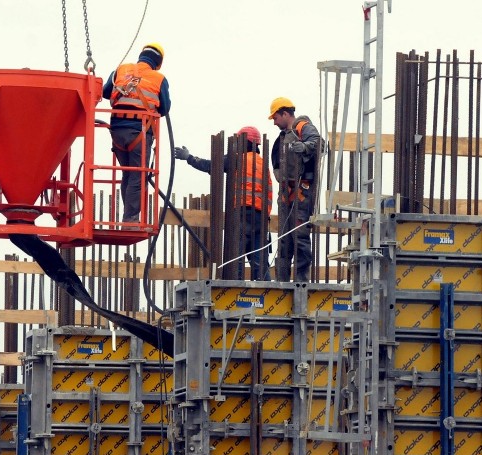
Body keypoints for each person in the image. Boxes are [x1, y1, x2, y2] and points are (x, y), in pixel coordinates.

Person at [174, 126, 273, 281]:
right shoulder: (263, 163)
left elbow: (212, 166)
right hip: (261, 218)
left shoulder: (237, 159)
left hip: (242, 214)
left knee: (236, 258)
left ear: (243, 141)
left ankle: (235, 289)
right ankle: (267, 292)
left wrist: (189, 158)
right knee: (259, 262)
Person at [102, 43, 171, 223]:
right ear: (158, 62)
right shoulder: (159, 78)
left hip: (116, 130)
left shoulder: (121, 69)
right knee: (138, 175)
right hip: (139, 131)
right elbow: (165, 108)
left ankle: (128, 217)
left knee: (128, 173)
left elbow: (105, 92)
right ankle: (131, 220)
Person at [268, 97, 321, 282]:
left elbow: (319, 144)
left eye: (275, 118)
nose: (274, 122)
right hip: (285, 196)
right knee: (284, 240)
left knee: (300, 237)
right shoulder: (281, 139)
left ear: (285, 113)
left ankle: (301, 283)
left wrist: (305, 147)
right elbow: (276, 163)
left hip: (301, 194)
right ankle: (282, 283)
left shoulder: (303, 127)